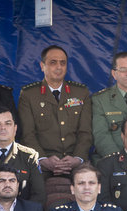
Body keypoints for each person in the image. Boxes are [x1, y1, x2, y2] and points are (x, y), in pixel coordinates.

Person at [18, 45, 92, 177]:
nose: (59, 67)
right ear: (42, 66)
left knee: (90, 185)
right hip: (41, 164)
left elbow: (85, 132)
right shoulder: (29, 94)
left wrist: (77, 158)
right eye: (53, 62)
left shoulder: (81, 92)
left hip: (75, 163)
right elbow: (27, 134)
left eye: (63, 63)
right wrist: (42, 159)